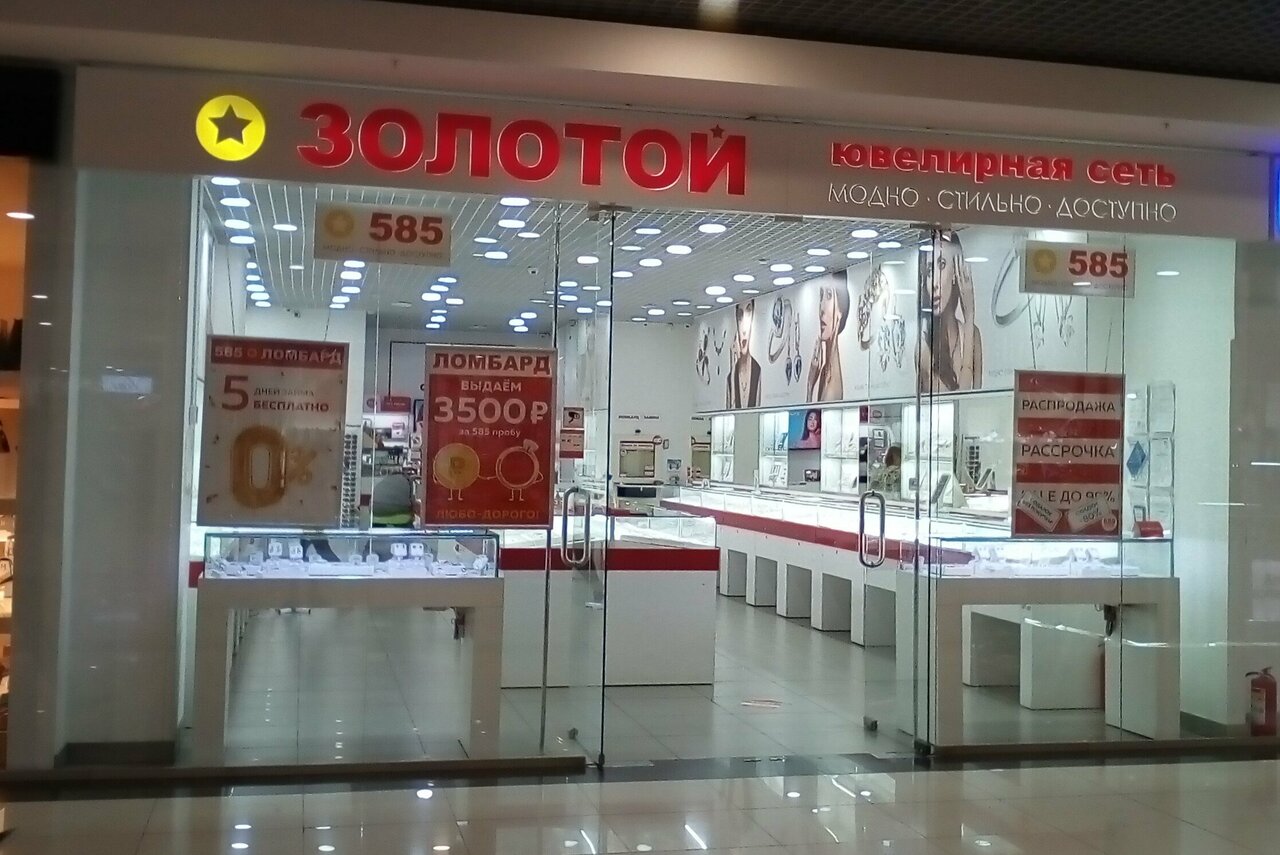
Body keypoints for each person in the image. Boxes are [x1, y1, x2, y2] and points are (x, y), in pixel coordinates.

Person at [918, 231, 984, 392]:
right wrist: (969, 314)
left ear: (956, 272)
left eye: (941, 265)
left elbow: (974, 401)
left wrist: (969, 321)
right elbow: (958, 398)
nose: (934, 283)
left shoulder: (972, 334)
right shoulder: (925, 346)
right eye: (929, 271)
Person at [808, 274, 850, 402]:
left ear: (840, 309)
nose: (822, 308)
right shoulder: (825, 370)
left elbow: (812, 414)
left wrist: (810, 385)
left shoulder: (833, 382)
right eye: (821, 296)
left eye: (829, 296)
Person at [726, 299, 762, 408]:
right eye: (740, 317)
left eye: (749, 312)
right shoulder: (731, 377)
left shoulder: (757, 371)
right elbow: (729, 410)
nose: (744, 330)